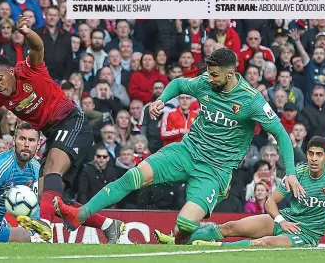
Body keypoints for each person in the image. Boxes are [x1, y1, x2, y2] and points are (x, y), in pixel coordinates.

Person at [55, 48, 303, 245]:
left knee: (184, 225)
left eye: (214, 74)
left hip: (214, 171)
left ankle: (183, 241)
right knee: (132, 177)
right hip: (186, 151)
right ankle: (80, 215)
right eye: (208, 73)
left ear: (229, 75)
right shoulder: (206, 82)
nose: (209, 77)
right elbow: (179, 84)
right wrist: (161, 100)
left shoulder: (251, 101)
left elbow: (281, 134)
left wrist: (290, 171)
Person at [0, 16, 124, 244]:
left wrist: (26, 32)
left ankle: (42, 225)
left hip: (72, 121)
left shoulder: (29, 70)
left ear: (12, 72)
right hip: (55, 134)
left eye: (0, 79)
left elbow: (38, 46)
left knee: (52, 168)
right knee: (48, 197)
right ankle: (108, 225)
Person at [176, 137, 325, 248]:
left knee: (262, 243)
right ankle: (176, 240)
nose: (314, 158)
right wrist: (281, 221)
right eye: (311, 154)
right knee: (230, 226)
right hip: (284, 221)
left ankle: (212, 247)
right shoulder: (298, 173)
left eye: (319, 155)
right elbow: (270, 201)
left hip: (306, 235)